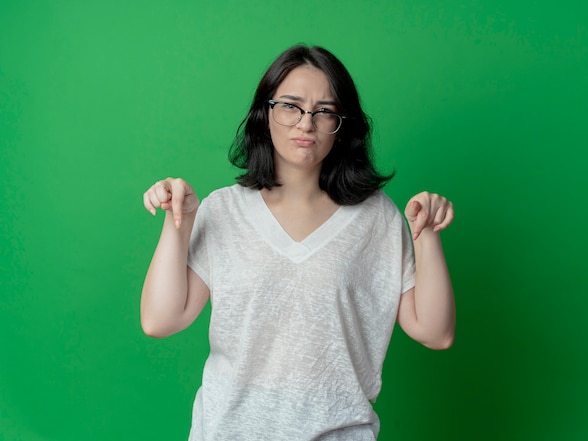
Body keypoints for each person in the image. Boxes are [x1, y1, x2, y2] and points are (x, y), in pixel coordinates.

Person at [141, 45, 455, 441]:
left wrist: (426, 235)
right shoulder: (223, 211)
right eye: (290, 105)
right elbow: (160, 320)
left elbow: (435, 331)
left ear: (343, 126)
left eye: (324, 111)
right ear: (265, 113)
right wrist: (178, 225)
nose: (306, 124)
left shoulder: (377, 219)